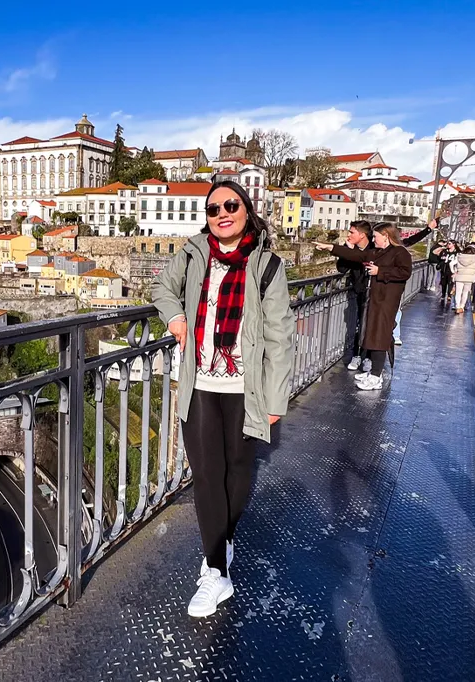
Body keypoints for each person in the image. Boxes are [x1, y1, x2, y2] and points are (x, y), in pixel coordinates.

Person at [152, 180, 293, 619]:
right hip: (199, 382)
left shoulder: (266, 265)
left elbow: (280, 335)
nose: (222, 213)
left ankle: (224, 539)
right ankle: (215, 571)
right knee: (207, 474)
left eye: (231, 205)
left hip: (246, 387)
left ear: (247, 211)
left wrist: (275, 399)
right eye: (213, 209)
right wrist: (176, 318)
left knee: (238, 470)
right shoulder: (192, 253)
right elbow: (162, 289)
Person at [315, 223, 412, 391]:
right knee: (372, 334)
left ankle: (375, 376)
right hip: (374, 298)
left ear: (386, 236)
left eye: (375, 237)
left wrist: (380, 272)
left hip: (386, 301)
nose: (373, 240)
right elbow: (354, 255)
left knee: (380, 336)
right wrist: (331, 247)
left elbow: (405, 272)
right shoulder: (377, 252)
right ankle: (375, 372)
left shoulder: (400, 252)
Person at [337, 220, 376, 373]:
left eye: (352, 232)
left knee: (370, 327)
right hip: (358, 293)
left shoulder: (374, 249)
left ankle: (368, 357)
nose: (348, 234)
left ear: (362, 235)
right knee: (357, 325)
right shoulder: (350, 248)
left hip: (374, 293)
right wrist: (348, 252)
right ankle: (357, 355)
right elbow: (341, 268)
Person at [453, 247, 475, 314]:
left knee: (458, 293)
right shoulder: (474, 259)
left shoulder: (459, 257)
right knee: (465, 293)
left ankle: (457, 306)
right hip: (469, 278)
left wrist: (454, 271)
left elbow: (451, 264)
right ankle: (462, 307)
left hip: (459, 277)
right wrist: (473, 274)